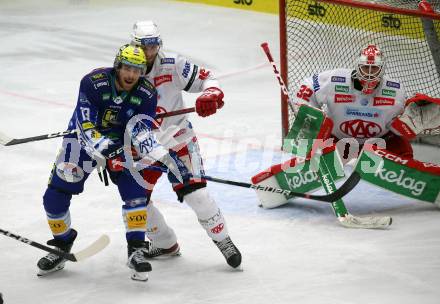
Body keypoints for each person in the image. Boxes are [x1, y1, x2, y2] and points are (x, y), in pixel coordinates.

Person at [37, 44, 190, 281]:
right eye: (127, 68)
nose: (131, 75)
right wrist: (111, 150)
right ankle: (62, 244)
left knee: (136, 193)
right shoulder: (93, 82)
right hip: (82, 141)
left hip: (123, 144)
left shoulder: (147, 93)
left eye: (137, 70)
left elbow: (141, 131)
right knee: (54, 196)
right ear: (118, 65)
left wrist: (161, 156)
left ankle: (136, 250)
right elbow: (86, 126)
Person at [129, 20, 242, 269]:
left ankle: (223, 241)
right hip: (143, 147)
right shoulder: (125, 71)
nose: (150, 52)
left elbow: (208, 79)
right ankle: (165, 242)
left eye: (153, 45)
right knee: (135, 201)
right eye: (144, 46)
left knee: (198, 195)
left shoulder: (173, 64)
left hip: (178, 139)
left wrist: (209, 94)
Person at [295, 44, 412, 160]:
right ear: (357, 66)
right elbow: (308, 84)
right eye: (366, 67)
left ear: (382, 69)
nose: (369, 74)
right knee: (305, 145)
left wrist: (410, 122)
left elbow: (400, 125)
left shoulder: (396, 90)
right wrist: (309, 115)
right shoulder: (336, 80)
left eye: (374, 68)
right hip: (337, 141)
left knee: (404, 151)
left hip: (379, 144)